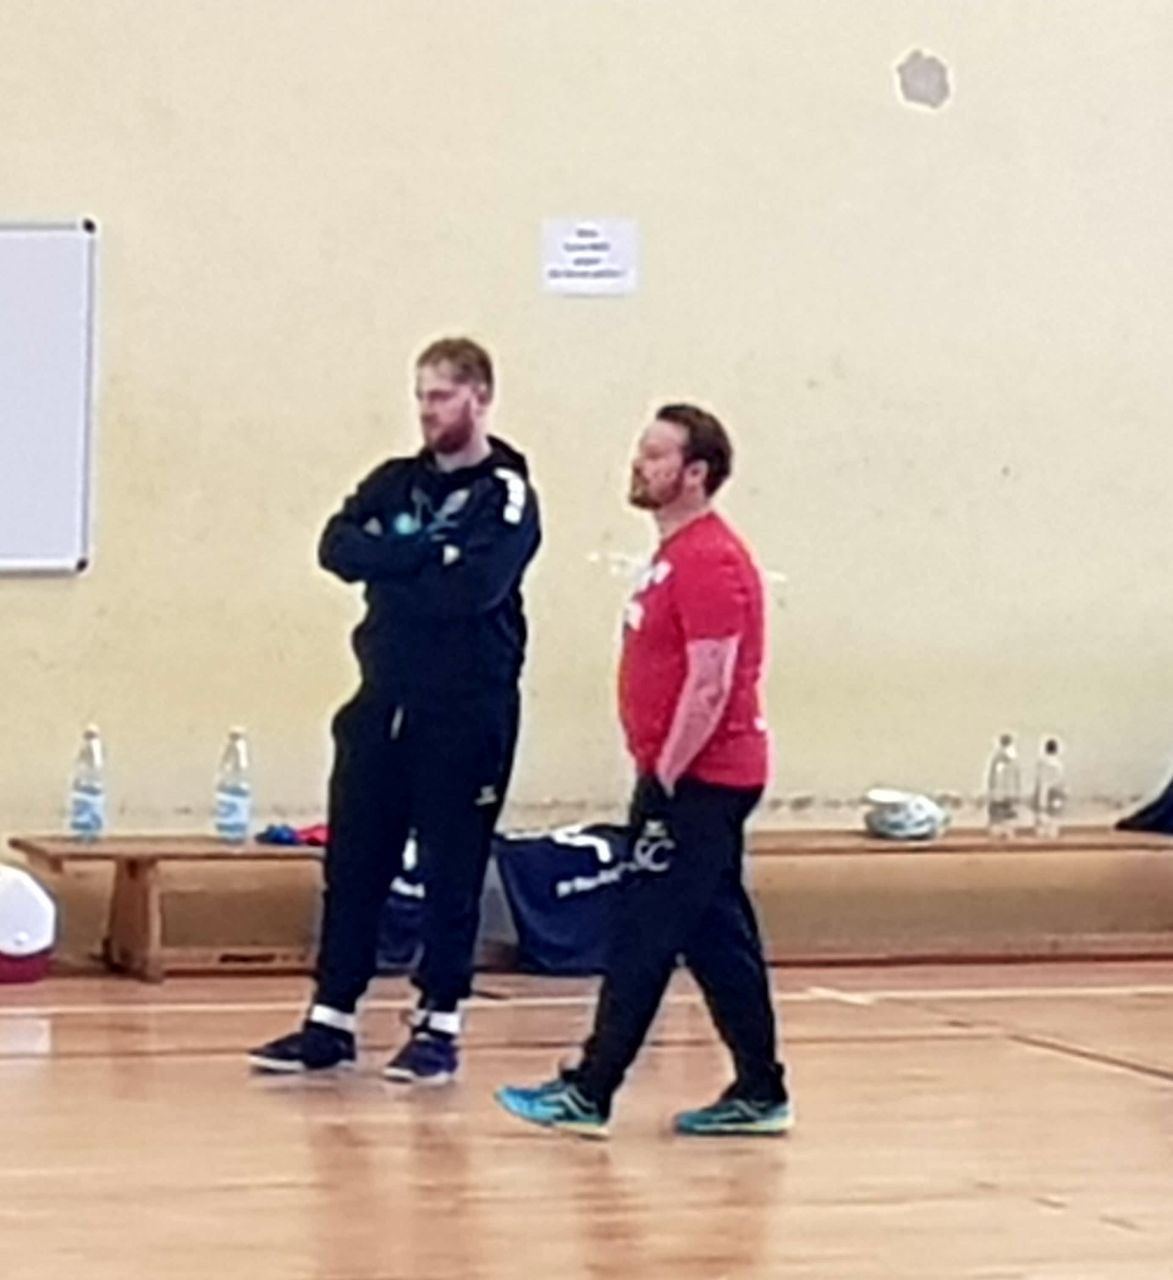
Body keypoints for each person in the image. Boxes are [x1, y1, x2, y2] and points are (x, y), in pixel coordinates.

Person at [495, 403, 791, 1137]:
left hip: (699, 783)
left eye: (657, 455)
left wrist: (663, 780)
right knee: (715, 936)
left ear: (695, 473)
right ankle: (760, 1090)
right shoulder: (673, 555)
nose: (639, 463)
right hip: (686, 779)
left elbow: (710, 683)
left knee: (642, 931)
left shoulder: (710, 560)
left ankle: (590, 1090)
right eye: (641, 450)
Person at [250, 337, 541, 1083]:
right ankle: (330, 1019)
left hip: (466, 709)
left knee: (451, 869)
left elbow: (472, 591)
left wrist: (391, 566)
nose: (426, 411)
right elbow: (336, 547)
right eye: (420, 396)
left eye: (440, 396)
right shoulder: (395, 481)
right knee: (355, 862)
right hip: (383, 700)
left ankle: (438, 1023)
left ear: (479, 397)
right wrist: (422, 556)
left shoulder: (504, 493)